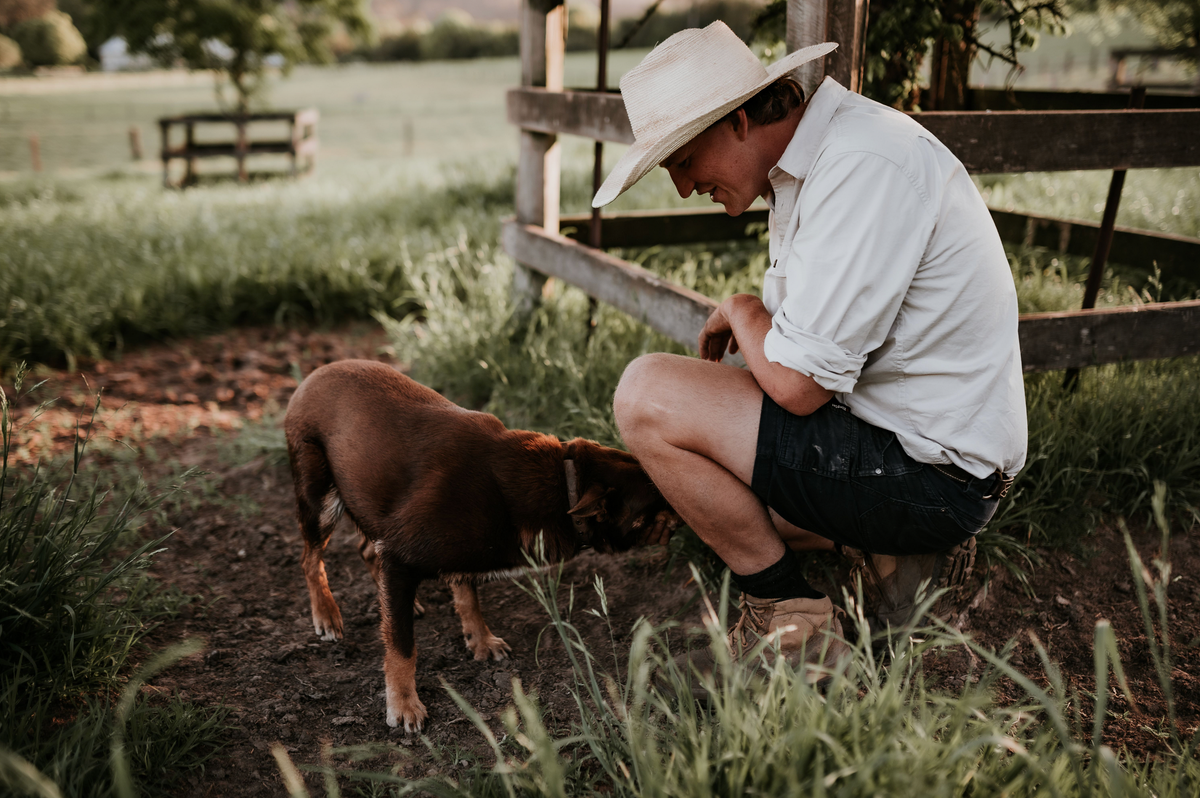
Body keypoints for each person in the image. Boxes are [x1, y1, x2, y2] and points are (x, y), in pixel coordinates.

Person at [593, 22, 1028, 680]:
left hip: (933, 477)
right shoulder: (825, 161)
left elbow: (797, 387)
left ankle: (791, 613)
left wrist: (743, 311)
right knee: (709, 498)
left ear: (738, 119)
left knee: (646, 394)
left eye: (683, 160)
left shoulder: (861, 167)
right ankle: (883, 557)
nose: (683, 187)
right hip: (907, 449)